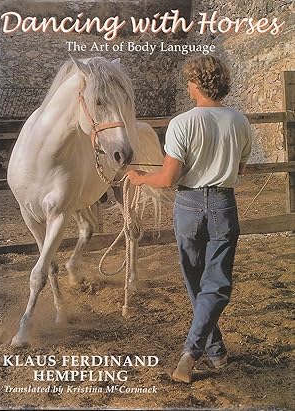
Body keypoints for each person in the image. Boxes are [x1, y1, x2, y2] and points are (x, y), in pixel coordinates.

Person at [127, 55, 252, 383]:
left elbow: (168, 179)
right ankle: (214, 350)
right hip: (224, 204)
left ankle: (191, 352)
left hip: (189, 206)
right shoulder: (239, 121)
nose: (187, 85)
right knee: (217, 283)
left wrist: (140, 179)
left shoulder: (182, 123)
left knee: (197, 282)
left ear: (198, 84)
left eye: (189, 80)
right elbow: (239, 170)